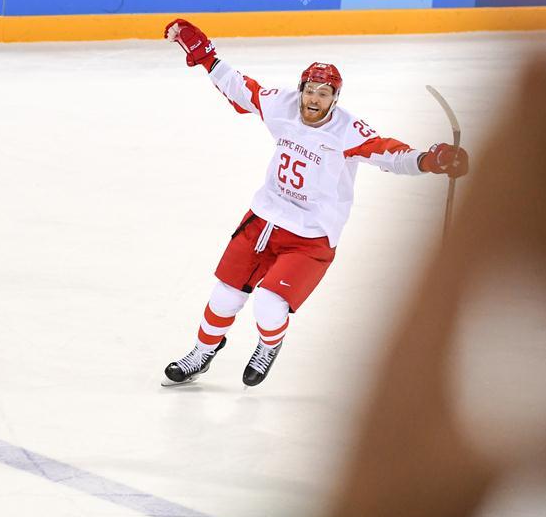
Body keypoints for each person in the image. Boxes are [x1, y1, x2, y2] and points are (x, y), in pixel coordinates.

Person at [160, 19, 469, 388]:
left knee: (269, 306)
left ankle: (267, 346)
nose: (314, 99)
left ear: (335, 99)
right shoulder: (283, 105)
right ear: (301, 89)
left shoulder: (348, 131)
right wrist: (208, 58)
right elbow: (244, 90)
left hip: (311, 235)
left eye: (324, 94)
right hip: (263, 220)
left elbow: (390, 154)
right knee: (224, 297)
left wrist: (429, 159)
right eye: (310, 90)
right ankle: (201, 353)